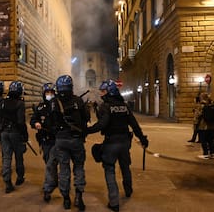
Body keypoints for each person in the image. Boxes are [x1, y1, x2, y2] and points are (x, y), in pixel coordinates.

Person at [86, 79, 149, 212]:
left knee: (109, 169)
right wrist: (142, 138)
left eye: (103, 91)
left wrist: (87, 130)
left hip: (111, 143)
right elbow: (134, 124)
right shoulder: (124, 106)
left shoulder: (106, 106)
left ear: (110, 92)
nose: (101, 94)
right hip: (125, 142)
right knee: (125, 166)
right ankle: (128, 190)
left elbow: (102, 124)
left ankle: (114, 202)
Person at [49, 75, 89, 210]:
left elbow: (51, 121)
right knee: (78, 167)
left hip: (61, 139)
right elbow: (86, 118)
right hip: (76, 139)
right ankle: (79, 196)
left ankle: (66, 198)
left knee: (64, 169)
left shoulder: (54, 102)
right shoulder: (78, 100)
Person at [30, 83, 58, 202]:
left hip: (56, 140)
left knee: (50, 164)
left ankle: (47, 188)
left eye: (51, 92)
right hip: (45, 140)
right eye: (47, 93)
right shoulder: (40, 107)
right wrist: (35, 123)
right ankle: (54, 181)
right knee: (49, 162)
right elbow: (33, 119)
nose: (49, 95)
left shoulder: (58, 105)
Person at [0, 81, 28, 193]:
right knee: (18, 156)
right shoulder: (20, 104)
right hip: (15, 132)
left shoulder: (2, 102)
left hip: (4, 132)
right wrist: (25, 136)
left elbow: (0, 118)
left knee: (6, 157)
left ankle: (7, 182)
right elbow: (21, 122)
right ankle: (20, 178)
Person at [195, 92, 214, 159]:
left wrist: (196, 112)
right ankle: (212, 153)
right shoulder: (211, 104)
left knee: (203, 140)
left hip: (203, 126)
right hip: (211, 125)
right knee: (210, 140)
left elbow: (198, 115)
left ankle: (205, 153)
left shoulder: (201, 105)